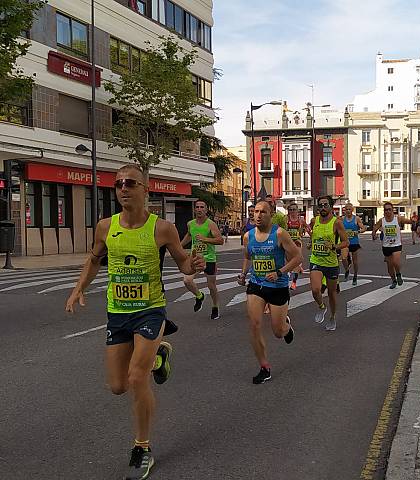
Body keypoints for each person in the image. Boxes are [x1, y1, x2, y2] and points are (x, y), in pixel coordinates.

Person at [65, 164, 205, 480]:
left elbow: (184, 264)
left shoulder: (163, 229)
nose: (123, 189)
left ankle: (142, 448)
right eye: (118, 185)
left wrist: (192, 265)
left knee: (136, 378)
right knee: (116, 386)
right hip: (118, 312)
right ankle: (160, 355)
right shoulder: (104, 227)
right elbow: (94, 260)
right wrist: (78, 289)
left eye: (130, 183)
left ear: (145, 188)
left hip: (150, 310)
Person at [237, 200, 302, 384]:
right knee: (254, 324)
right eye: (255, 211)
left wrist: (280, 272)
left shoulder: (280, 234)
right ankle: (264, 367)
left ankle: (286, 327)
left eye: (262, 212)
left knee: (278, 332)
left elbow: (298, 257)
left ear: (271, 214)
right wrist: (243, 274)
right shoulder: (248, 236)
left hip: (278, 286)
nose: (257, 215)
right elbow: (248, 257)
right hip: (256, 284)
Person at [309, 195, 349, 331]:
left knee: (332, 293)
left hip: (331, 263)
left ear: (331, 207)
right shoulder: (314, 221)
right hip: (316, 260)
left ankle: (332, 317)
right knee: (315, 290)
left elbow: (345, 242)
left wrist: (333, 246)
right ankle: (321, 307)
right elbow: (314, 236)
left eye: (326, 205)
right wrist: (310, 244)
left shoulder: (336, 222)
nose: (323, 208)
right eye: (320, 205)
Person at [181, 200, 224, 320]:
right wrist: (179, 246)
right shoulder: (190, 224)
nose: (199, 209)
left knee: (211, 285)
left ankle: (215, 307)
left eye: (202, 207)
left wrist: (206, 239)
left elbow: (220, 240)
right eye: (197, 207)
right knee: (187, 280)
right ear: (195, 209)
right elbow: (189, 235)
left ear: (206, 210)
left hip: (209, 259)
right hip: (195, 258)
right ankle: (199, 296)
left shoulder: (211, 224)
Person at [372, 202, 412, 289]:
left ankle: (398, 274)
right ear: (384, 211)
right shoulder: (382, 220)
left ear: (392, 210)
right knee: (390, 266)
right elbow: (375, 228)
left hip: (397, 244)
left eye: (389, 209)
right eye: (386, 210)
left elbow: (409, 221)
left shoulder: (398, 219)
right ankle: (393, 280)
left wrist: (415, 221)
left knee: (395, 262)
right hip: (386, 246)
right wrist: (374, 234)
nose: (387, 211)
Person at [341, 203, 367, 285]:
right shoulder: (342, 219)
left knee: (355, 262)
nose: (348, 211)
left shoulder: (356, 219)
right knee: (343, 258)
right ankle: (347, 270)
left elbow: (363, 228)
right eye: (346, 209)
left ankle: (355, 276)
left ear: (352, 210)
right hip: (345, 242)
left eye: (349, 209)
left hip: (354, 242)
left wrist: (358, 231)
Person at [286, 202, 307, 290]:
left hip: (297, 243)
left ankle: (294, 282)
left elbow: (308, 229)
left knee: (296, 261)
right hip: (287, 243)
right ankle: (298, 269)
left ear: (297, 211)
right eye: (290, 210)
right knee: (288, 262)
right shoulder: (285, 219)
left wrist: (312, 239)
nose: (292, 211)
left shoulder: (301, 220)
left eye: (294, 209)